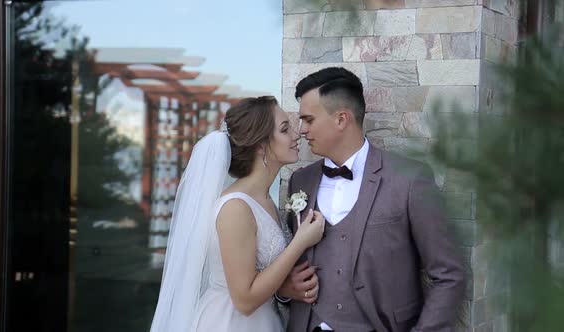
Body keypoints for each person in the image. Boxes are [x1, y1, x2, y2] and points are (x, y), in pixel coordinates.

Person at [278, 67, 466, 332]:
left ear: (342, 119)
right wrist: (284, 291)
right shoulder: (301, 181)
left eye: (308, 119)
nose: (301, 130)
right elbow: (288, 264)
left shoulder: (409, 179)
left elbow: (448, 274)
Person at [150, 96, 325, 332]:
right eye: (285, 129)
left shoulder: (264, 199)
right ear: (261, 145)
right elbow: (244, 300)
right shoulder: (235, 209)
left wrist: (284, 290)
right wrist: (301, 241)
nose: (296, 135)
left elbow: (260, 275)